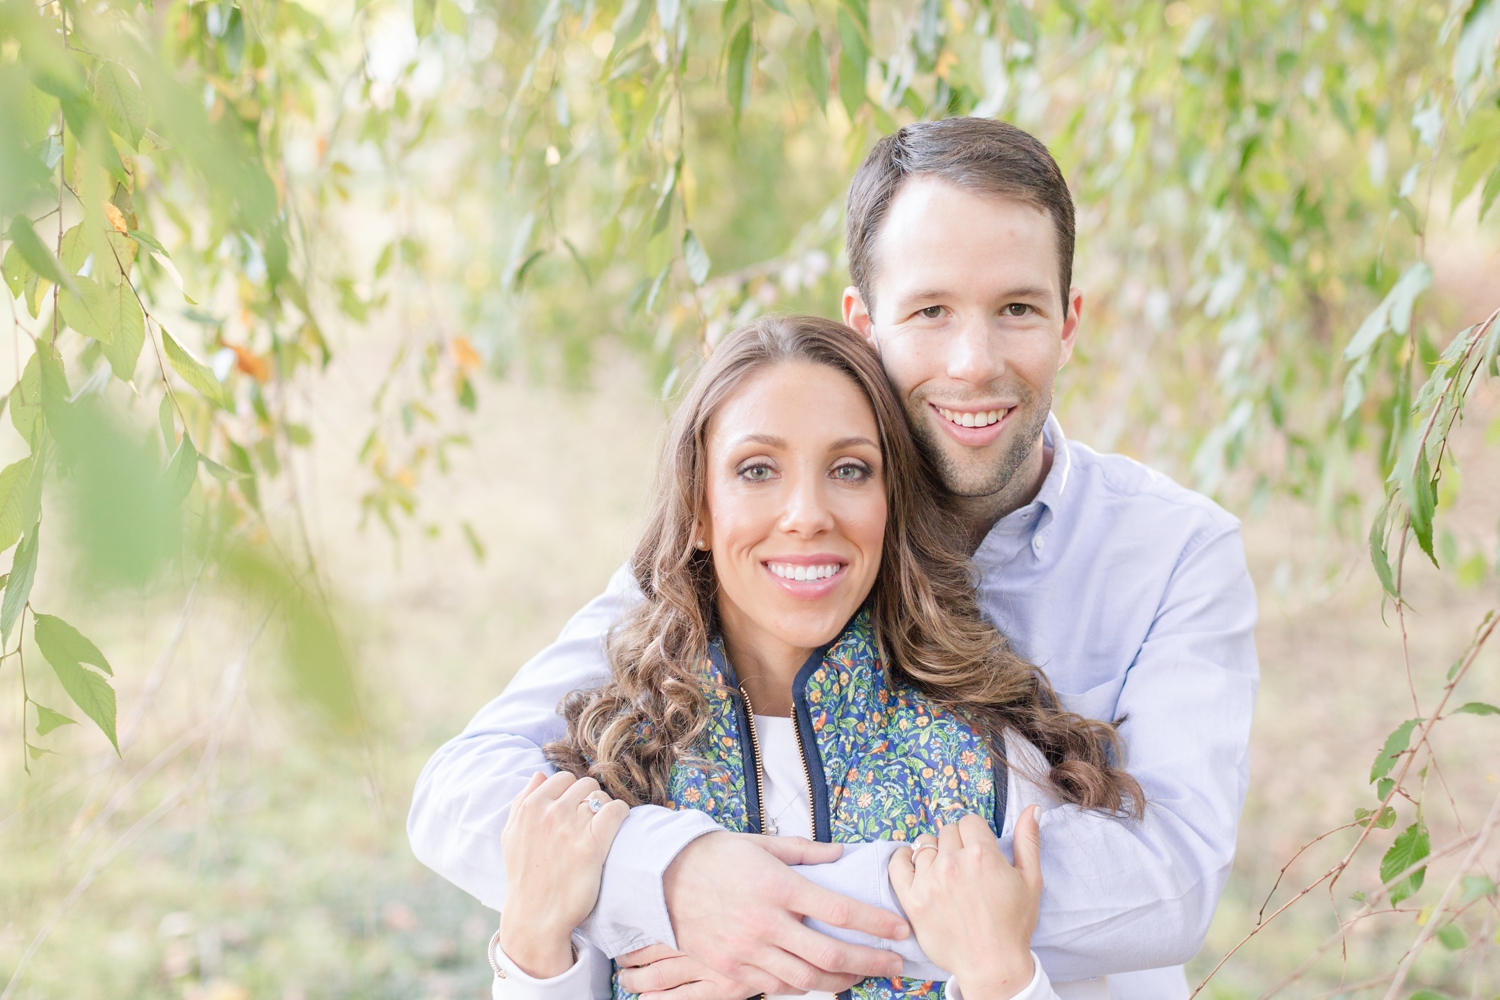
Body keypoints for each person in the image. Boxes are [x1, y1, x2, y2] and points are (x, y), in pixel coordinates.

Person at [409, 118, 1259, 1000]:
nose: (974, 364)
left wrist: (765, 914)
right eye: (931, 311)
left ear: (1068, 323)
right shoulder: (768, 548)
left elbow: (1170, 882)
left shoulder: (1175, 553)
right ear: (866, 324)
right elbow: (461, 795)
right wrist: (675, 874)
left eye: (1017, 309)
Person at [484, 315, 1140, 999]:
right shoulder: (607, 769)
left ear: (890, 504)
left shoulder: (992, 773)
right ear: (699, 508)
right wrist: (530, 945)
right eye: (757, 470)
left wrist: (1001, 977)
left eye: (849, 470)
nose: (807, 513)